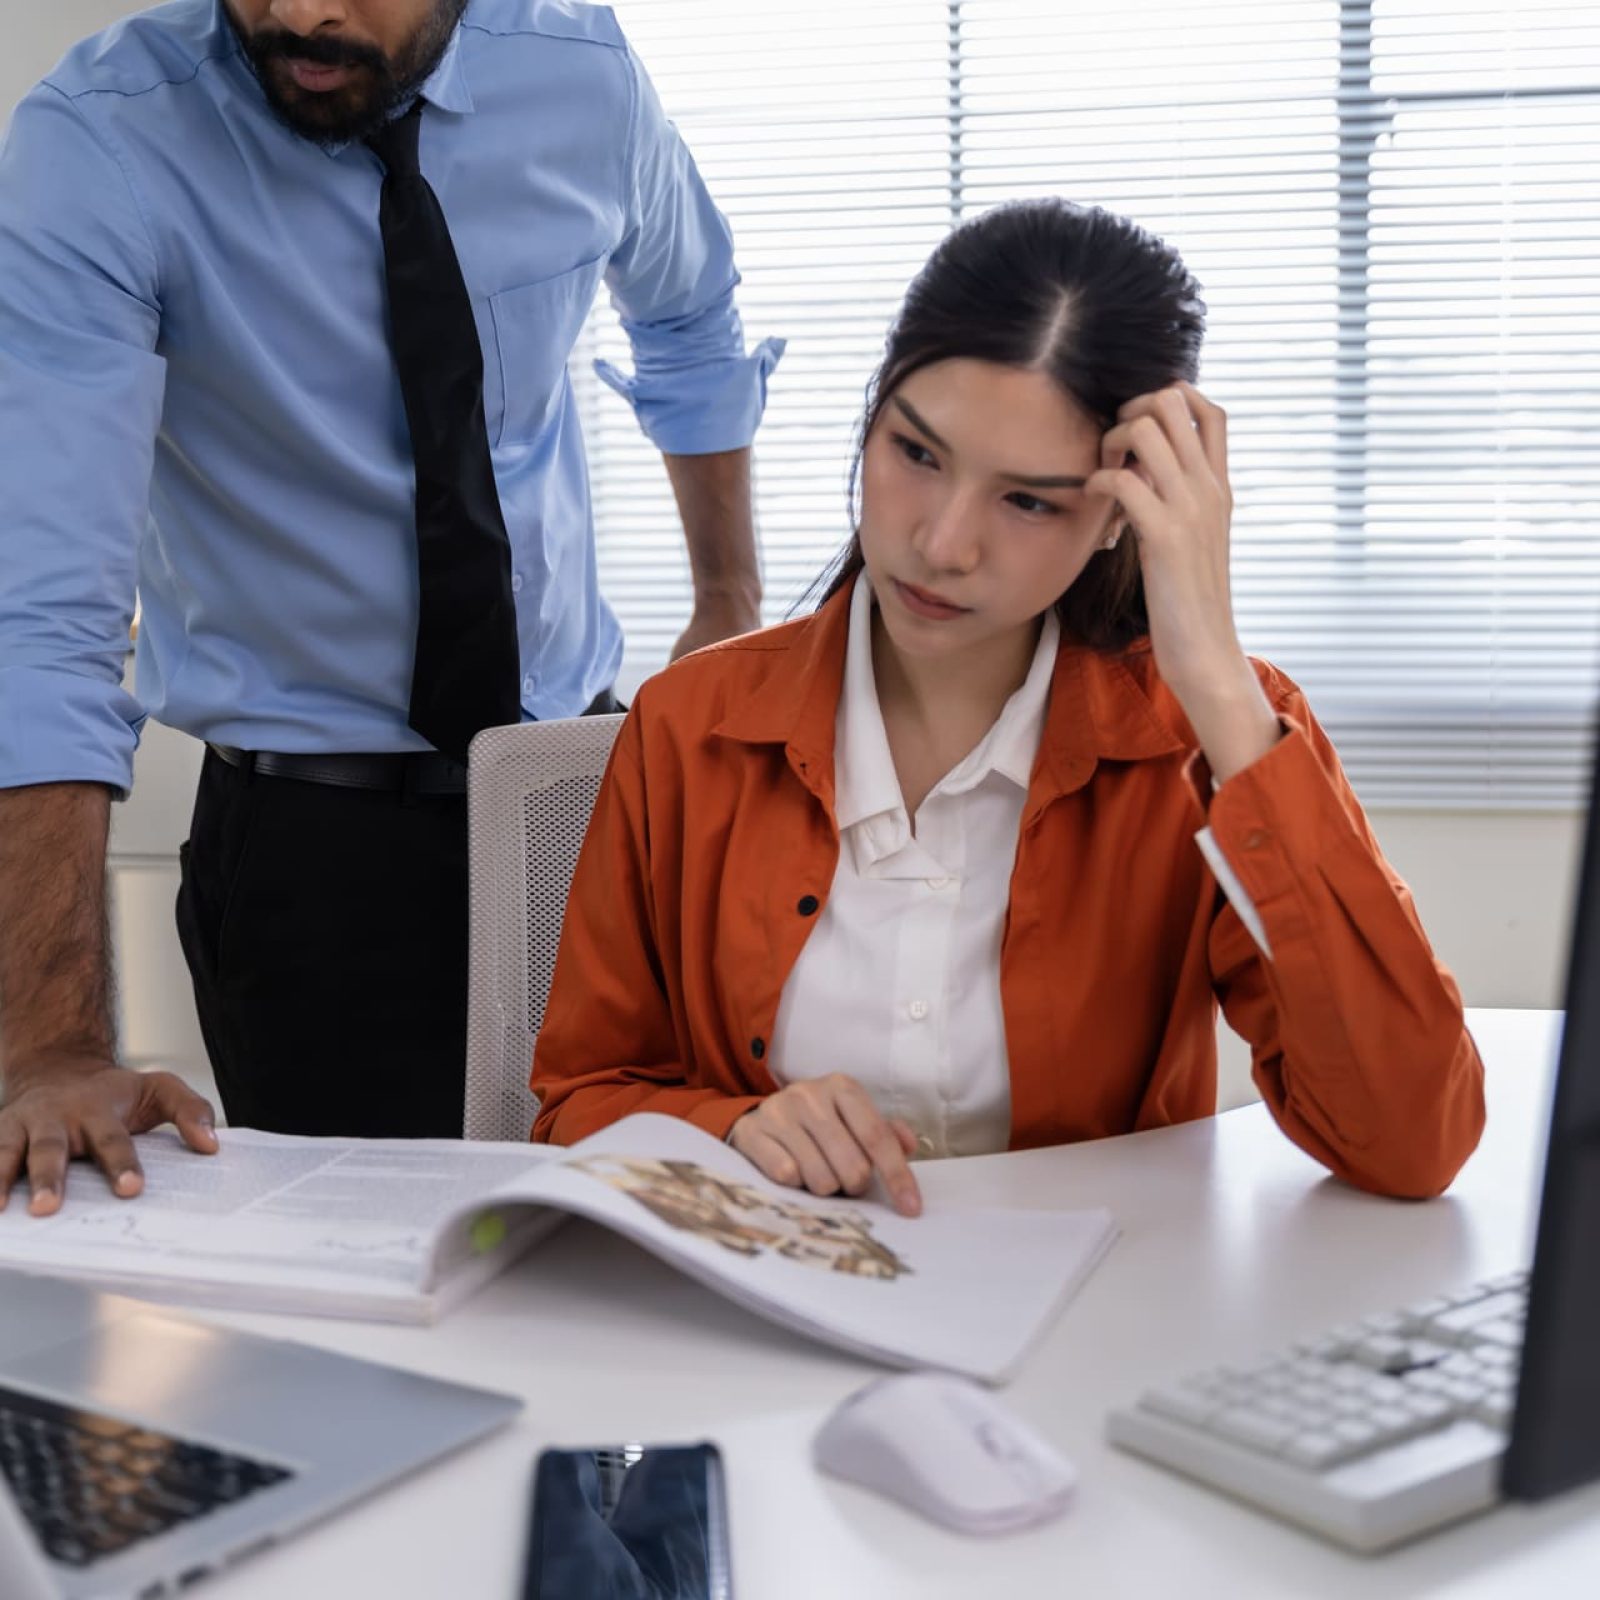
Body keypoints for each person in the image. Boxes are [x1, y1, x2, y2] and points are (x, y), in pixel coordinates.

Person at [528, 198, 1486, 1215]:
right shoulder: (688, 724)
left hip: (1097, 1334)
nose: (942, 543)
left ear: (1123, 514)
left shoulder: (1207, 739)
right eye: (916, 454)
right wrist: (731, 1128)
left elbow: (1410, 1140)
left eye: (1027, 500)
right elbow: (578, 1103)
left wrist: (1211, 675)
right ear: (872, 416)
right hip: (772, 1327)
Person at [0, 0, 782, 1215]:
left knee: (649, 1236)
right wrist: (50, 1045)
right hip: (317, 854)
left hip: (589, 792)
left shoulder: (581, 79)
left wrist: (726, 597)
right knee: (368, 1293)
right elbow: (42, 617)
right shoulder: (100, 147)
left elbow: (689, 319)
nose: (300, 12)